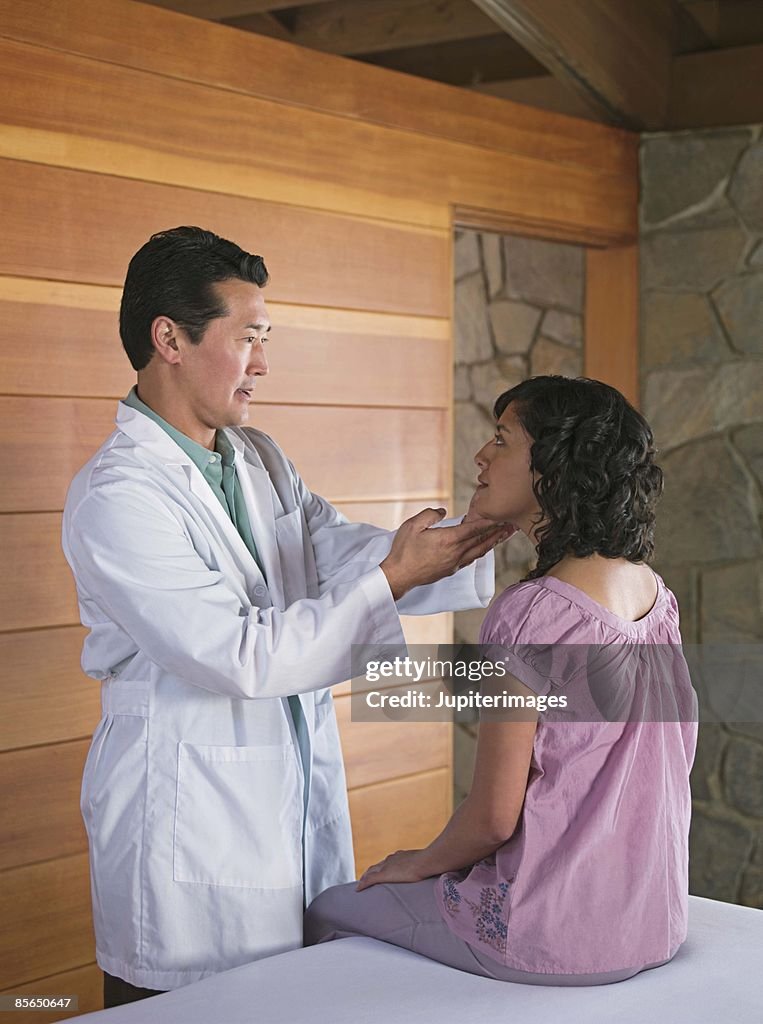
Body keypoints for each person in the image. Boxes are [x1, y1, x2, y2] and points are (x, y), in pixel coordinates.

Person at [61, 227, 510, 1006]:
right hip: (184, 832)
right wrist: (393, 576)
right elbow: (239, 656)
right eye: (249, 338)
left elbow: (339, 553)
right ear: (169, 337)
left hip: (283, 811)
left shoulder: (258, 457)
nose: (263, 363)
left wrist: (478, 535)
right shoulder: (118, 496)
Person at [304, 375, 699, 986]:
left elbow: (493, 817)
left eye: (501, 441)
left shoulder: (532, 614)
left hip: (550, 937)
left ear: (553, 468)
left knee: (329, 906)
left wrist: (417, 863)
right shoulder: (658, 599)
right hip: (654, 924)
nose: (481, 457)